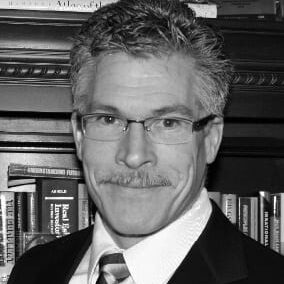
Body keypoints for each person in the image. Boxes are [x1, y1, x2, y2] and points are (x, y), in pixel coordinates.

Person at [8, 0, 284, 283]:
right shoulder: (33, 271)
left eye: (168, 123)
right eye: (108, 120)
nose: (134, 155)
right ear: (79, 134)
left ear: (211, 138)